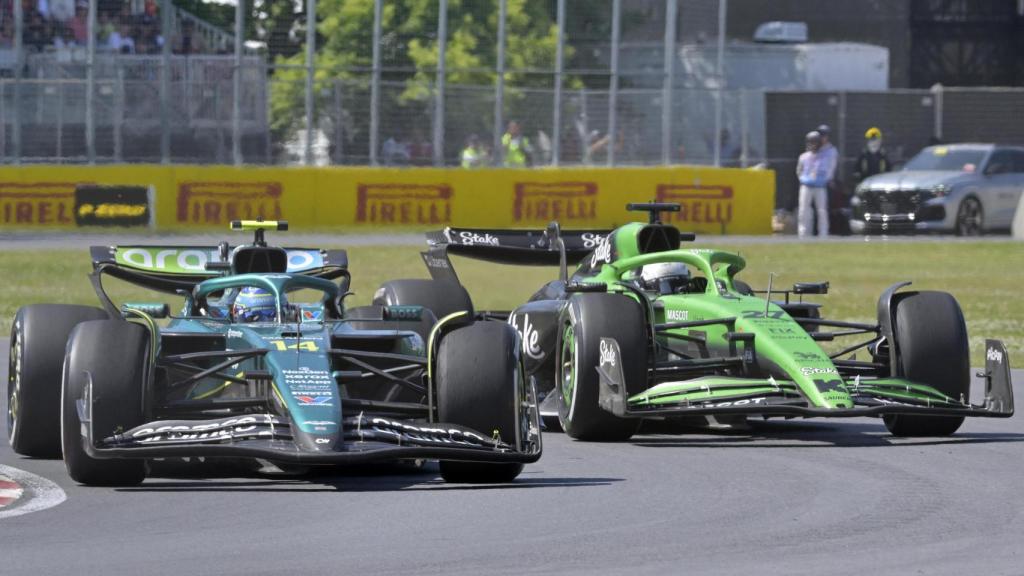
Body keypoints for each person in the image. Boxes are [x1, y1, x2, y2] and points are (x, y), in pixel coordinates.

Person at [796, 131, 831, 237]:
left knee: (822, 210)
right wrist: (803, 179)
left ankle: (823, 233)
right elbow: (799, 170)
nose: (813, 144)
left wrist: (823, 180)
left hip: (820, 187)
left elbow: (828, 171)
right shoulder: (803, 157)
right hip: (806, 186)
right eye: (811, 142)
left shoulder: (825, 157)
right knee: (804, 210)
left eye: (815, 142)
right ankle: (803, 233)